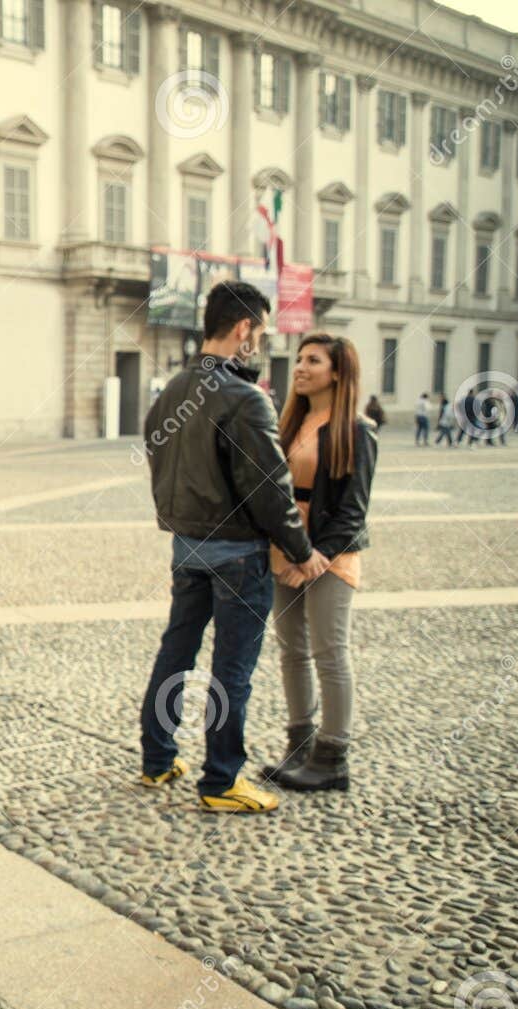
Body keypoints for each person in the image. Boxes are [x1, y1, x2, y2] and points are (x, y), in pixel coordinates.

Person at [137, 280, 327, 813]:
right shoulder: (246, 399)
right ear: (243, 329)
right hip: (238, 553)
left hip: (186, 546)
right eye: (261, 331)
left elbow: (157, 453)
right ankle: (221, 780)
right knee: (232, 670)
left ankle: (156, 759)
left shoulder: (172, 390)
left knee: (176, 651)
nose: (261, 342)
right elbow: (270, 487)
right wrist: (299, 546)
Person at [259, 335, 378, 792]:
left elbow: (354, 509)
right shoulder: (290, 423)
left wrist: (317, 557)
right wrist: (291, 549)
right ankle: (299, 744)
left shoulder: (356, 429)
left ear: (337, 371)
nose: (301, 367)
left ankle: (332, 757)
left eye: (314, 360)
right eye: (300, 359)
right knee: (291, 651)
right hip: (287, 549)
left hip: (330, 555)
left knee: (329, 652)